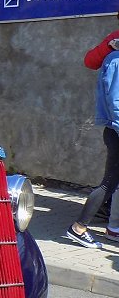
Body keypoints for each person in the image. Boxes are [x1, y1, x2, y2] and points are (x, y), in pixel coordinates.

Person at [65, 43, 119, 249]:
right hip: (116, 131)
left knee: (111, 183)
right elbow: (115, 102)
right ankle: (78, 228)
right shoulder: (116, 61)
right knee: (109, 184)